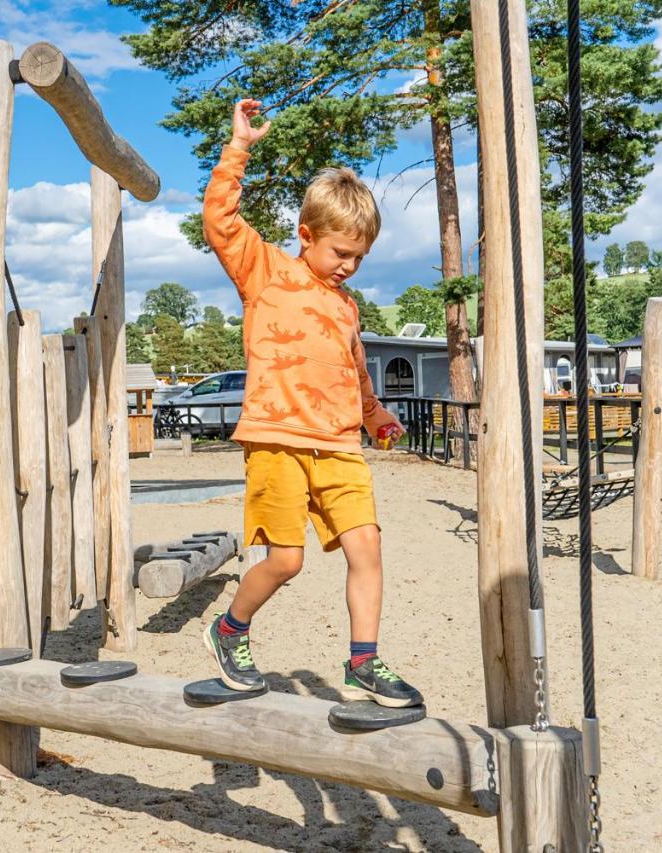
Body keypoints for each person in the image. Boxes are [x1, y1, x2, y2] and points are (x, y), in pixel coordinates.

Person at [198, 98, 420, 708]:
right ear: (306, 235)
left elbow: (354, 367)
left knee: (367, 546)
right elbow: (219, 219)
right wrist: (238, 147)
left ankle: (363, 664)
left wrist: (375, 415)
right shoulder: (265, 271)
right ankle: (230, 629)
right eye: (340, 254)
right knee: (286, 560)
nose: (348, 267)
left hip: (339, 443)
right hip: (277, 437)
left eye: (359, 258)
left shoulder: (348, 307)